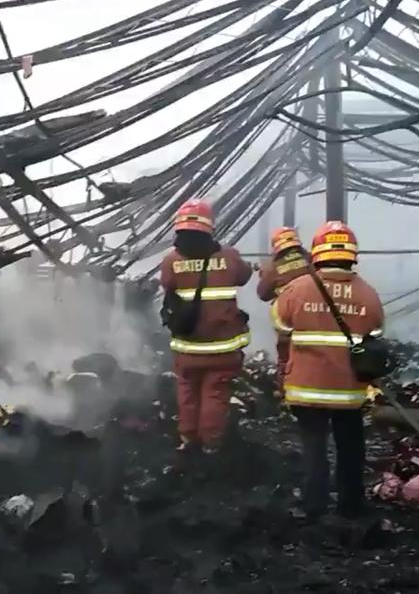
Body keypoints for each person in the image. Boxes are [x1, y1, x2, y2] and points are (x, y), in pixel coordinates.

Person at [272, 221, 384, 519]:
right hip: (349, 392)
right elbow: (376, 335)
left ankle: (314, 506)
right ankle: (350, 505)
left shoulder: (297, 289)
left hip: (307, 389)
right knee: (351, 446)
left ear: (317, 253)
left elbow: (281, 326)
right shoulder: (369, 295)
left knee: (314, 447)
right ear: (352, 254)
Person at [159, 199, 253, 458]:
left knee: (187, 391)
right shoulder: (229, 256)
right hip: (222, 346)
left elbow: (167, 287)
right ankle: (210, 443)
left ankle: (188, 440)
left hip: (187, 346)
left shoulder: (170, 261)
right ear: (209, 228)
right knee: (215, 392)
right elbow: (244, 276)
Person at [256, 227, 308, 391]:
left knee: (286, 356)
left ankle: (287, 392)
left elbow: (263, 294)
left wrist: (264, 275)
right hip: (318, 317)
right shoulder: (311, 259)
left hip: (288, 320)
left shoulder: (273, 267)